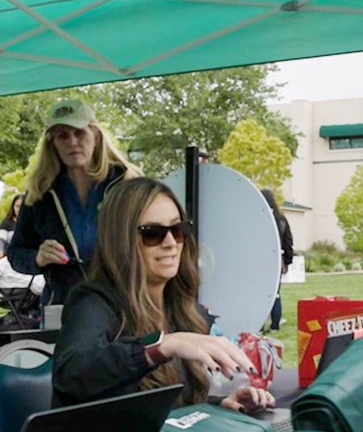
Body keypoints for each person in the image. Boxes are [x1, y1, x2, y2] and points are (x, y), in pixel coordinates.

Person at [52, 177, 275, 413]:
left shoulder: (183, 308)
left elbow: (165, 407)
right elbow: (72, 376)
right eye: (152, 233)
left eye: (178, 230)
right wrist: (161, 345)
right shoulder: (93, 302)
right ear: (121, 241)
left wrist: (220, 405)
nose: (170, 243)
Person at [7, 99, 142, 306]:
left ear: (95, 136)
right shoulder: (40, 194)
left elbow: (152, 240)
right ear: (52, 143)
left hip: (123, 301)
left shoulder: (127, 184)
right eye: (63, 136)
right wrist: (38, 258)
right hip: (64, 304)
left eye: (79, 133)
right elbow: (16, 253)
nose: (72, 142)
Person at [261, 188, 294, 332]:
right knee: (275, 293)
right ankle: (275, 325)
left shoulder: (259, 218)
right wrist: (287, 261)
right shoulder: (281, 219)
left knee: (260, 293)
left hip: (260, 261)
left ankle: (260, 325)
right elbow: (288, 242)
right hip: (277, 261)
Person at [0, 194, 24, 259]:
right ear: (13, 207)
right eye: (17, 206)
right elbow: (1, 239)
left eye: (22, 206)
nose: (20, 209)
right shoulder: (7, 223)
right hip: (9, 258)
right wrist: (0, 250)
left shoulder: (33, 222)